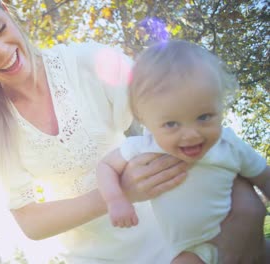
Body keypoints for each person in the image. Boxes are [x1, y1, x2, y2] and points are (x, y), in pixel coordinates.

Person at [0, 1, 268, 263]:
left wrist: (236, 181)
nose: (2, 52)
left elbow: (175, 113)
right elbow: (29, 221)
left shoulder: (86, 63)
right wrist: (117, 194)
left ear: (7, 10)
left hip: (177, 226)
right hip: (99, 255)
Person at [96, 40, 270, 264]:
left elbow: (264, 177)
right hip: (191, 249)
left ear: (219, 106)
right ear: (145, 119)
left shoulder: (229, 145)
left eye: (204, 117)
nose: (191, 135)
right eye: (171, 124)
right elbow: (106, 166)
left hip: (236, 231)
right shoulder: (145, 146)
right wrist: (115, 199)